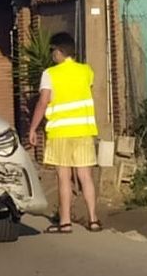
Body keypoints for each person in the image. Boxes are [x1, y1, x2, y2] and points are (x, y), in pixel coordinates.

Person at [27, 32, 100, 233]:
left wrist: (33, 128)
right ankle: (93, 219)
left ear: (59, 51)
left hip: (60, 132)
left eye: (52, 51)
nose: (51, 55)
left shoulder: (50, 74)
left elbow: (43, 102)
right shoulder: (86, 71)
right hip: (84, 130)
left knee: (63, 177)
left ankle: (65, 222)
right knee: (86, 176)